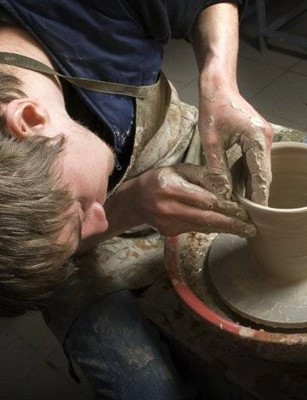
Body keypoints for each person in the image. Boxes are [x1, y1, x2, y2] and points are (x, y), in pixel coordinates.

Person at [0, 0, 273, 398]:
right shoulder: (73, 228)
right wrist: (129, 207)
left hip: (181, 142)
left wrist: (218, 82)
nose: (100, 221)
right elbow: (55, 254)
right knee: (145, 388)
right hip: (69, 258)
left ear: (31, 120)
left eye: (78, 207)